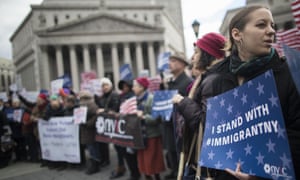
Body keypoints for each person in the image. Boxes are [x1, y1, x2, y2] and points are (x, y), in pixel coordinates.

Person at [206, 5, 300, 180]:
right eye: (261, 25)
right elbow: (217, 137)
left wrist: (260, 173)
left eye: (272, 25)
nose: (271, 31)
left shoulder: (288, 73)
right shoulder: (219, 78)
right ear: (237, 34)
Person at [172, 32, 227, 178]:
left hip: (204, 163)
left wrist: (183, 102)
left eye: (197, 52)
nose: (192, 57)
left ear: (207, 54)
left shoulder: (213, 81)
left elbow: (205, 124)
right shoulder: (209, 78)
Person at [162, 51, 192, 179]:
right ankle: (174, 171)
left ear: (183, 64)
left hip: (180, 127)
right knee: (171, 151)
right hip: (168, 124)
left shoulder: (187, 82)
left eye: (174, 61)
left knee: (180, 153)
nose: (170, 63)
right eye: (170, 60)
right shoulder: (170, 83)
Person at [133, 77, 165, 180]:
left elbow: (156, 118)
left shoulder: (151, 98)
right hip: (140, 136)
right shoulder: (135, 100)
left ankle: (156, 177)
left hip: (151, 135)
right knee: (143, 161)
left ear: (142, 87)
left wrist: (143, 116)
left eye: (135, 86)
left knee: (153, 161)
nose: (133, 88)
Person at [110, 79, 140, 180]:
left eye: (126, 86)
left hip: (130, 128)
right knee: (122, 150)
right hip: (121, 127)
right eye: (123, 86)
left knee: (131, 152)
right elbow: (118, 109)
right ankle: (129, 171)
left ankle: (135, 173)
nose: (124, 88)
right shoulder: (120, 96)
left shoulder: (133, 96)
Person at [95, 77, 120, 167]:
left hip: (113, 121)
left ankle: (120, 164)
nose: (104, 87)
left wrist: (103, 110)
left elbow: (115, 108)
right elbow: (100, 106)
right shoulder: (102, 97)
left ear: (110, 86)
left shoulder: (114, 95)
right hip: (104, 121)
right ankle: (105, 159)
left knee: (117, 145)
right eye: (102, 86)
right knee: (102, 142)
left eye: (106, 85)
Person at [78, 91, 100, 175]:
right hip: (87, 130)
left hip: (90, 130)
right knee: (91, 148)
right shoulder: (83, 105)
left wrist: (87, 123)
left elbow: (96, 116)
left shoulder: (91, 105)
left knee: (92, 148)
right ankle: (94, 164)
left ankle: (95, 166)